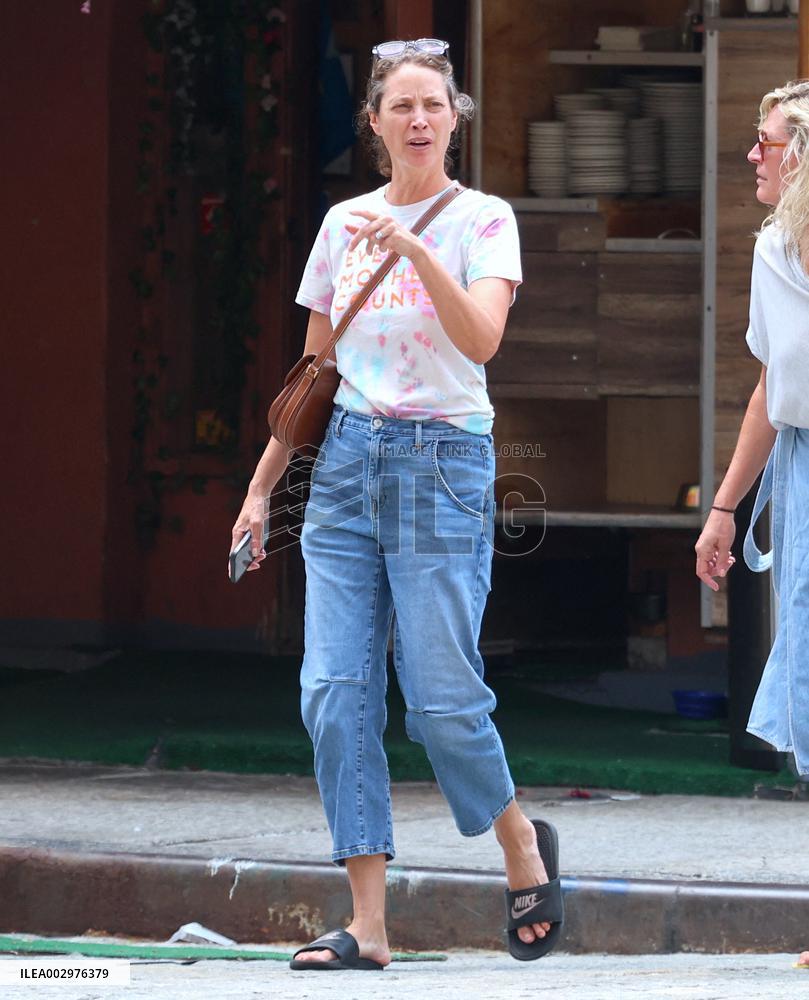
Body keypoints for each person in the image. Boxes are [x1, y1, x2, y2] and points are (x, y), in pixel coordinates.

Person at [230, 38, 564, 969]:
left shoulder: (484, 220)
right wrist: (263, 491)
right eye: (399, 106)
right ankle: (368, 925)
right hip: (342, 470)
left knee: (442, 702)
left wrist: (417, 246)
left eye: (432, 105)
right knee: (333, 695)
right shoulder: (340, 225)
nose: (417, 120)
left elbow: (482, 341)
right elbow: (315, 377)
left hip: (440, 464)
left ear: (454, 118)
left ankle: (518, 846)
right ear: (372, 124)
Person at [693, 79, 809, 970]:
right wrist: (724, 507)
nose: (751, 156)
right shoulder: (773, 249)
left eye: (766, 142)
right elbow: (770, 390)